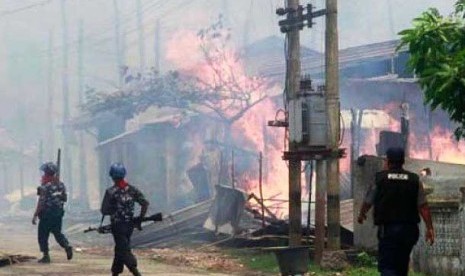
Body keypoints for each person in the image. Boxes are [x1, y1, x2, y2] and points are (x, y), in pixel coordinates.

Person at [357, 147, 435, 276]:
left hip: (388, 230)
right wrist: (430, 228)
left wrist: (362, 214)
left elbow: (368, 201)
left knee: (388, 265)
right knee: (402, 264)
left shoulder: (380, 178)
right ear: (402, 161)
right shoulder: (414, 180)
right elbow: (423, 206)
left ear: (387, 161)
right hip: (409, 231)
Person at [101, 163, 149, 276]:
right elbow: (145, 203)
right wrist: (140, 219)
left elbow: (104, 210)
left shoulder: (110, 192)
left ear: (112, 176)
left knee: (124, 249)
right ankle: (115, 273)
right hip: (129, 225)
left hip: (117, 226)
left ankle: (135, 271)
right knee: (120, 248)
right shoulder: (132, 190)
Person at [32, 162, 73, 263]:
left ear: (47, 174)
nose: (43, 175)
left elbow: (41, 202)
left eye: (45, 173)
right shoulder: (61, 185)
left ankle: (46, 256)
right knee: (57, 232)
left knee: (42, 234)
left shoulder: (45, 187)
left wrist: (35, 215)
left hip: (46, 214)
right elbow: (65, 198)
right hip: (58, 213)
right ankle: (67, 246)